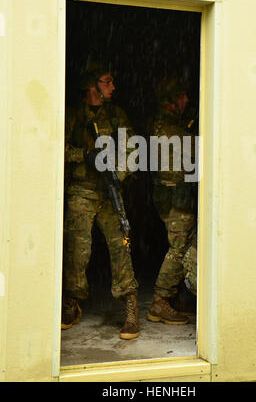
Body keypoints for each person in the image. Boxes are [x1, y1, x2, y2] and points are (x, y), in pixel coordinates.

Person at [62, 62, 139, 340]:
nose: (113, 87)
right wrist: (84, 155)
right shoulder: (72, 116)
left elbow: (132, 151)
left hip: (109, 193)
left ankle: (130, 304)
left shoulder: (117, 116)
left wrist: (115, 173)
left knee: (122, 247)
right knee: (76, 251)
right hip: (81, 191)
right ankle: (71, 301)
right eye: (107, 81)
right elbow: (56, 148)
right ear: (91, 86)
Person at [147, 77, 198, 325]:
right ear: (170, 99)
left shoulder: (168, 125)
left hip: (175, 198)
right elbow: (198, 150)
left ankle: (173, 297)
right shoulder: (167, 129)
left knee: (181, 246)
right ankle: (160, 301)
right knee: (178, 250)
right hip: (175, 200)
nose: (186, 100)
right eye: (182, 95)